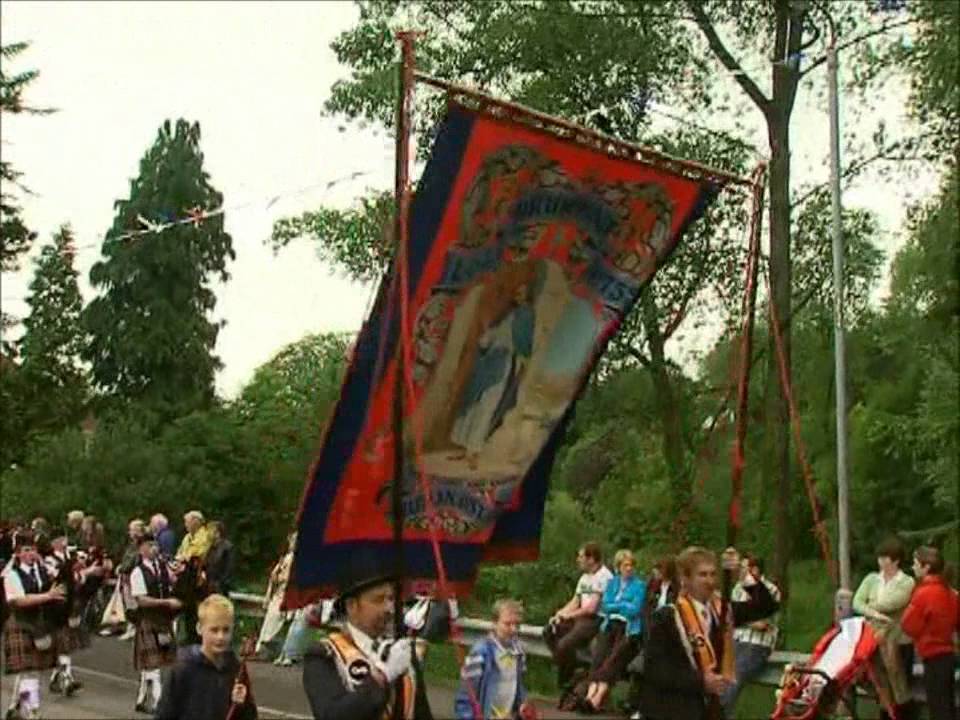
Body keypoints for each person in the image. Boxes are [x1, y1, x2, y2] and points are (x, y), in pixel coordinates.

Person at [640, 546, 780, 720]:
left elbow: (765, 607)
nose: (709, 581)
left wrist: (742, 574)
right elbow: (656, 669)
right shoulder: (667, 617)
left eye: (713, 574)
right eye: (702, 575)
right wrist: (700, 682)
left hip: (707, 708)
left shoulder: (721, 613)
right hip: (672, 708)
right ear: (685, 578)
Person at [301, 551, 430, 720]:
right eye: (378, 600)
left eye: (391, 599)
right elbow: (332, 715)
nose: (388, 608)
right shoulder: (323, 654)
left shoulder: (402, 653)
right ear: (352, 606)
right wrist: (381, 678)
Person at [154, 593, 257, 720]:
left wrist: (242, 705)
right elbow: (165, 714)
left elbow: (249, 716)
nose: (220, 637)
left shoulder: (236, 669)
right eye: (214, 630)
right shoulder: (183, 668)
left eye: (226, 630)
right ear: (199, 628)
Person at [2, 532, 66, 720]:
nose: (31, 553)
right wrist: (48, 596)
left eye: (33, 550)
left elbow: (63, 573)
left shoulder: (42, 570)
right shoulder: (11, 575)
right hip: (20, 624)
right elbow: (19, 601)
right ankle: (33, 712)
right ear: (18, 554)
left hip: (39, 624)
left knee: (30, 672)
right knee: (30, 673)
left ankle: (16, 707)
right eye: (26, 550)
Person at [852, 535, 916, 719]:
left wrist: (869, 606)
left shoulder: (906, 582)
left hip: (897, 640)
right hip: (874, 639)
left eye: (885, 558)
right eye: (879, 557)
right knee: (881, 684)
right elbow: (857, 602)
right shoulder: (872, 579)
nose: (881, 562)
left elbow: (891, 603)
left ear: (895, 560)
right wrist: (875, 614)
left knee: (899, 684)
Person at [543, 541, 613, 698]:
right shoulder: (584, 578)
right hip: (580, 617)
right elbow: (575, 601)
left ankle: (566, 682)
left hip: (595, 620)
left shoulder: (604, 577)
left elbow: (591, 608)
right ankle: (574, 668)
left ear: (591, 559)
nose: (578, 560)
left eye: (581, 556)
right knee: (549, 631)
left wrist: (569, 615)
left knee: (563, 645)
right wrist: (560, 614)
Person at [581, 549, 646, 713]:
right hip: (610, 624)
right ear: (618, 567)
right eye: (625, 565)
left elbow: (635, 610)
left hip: (628, 628)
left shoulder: (639, 585)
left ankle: (596, 699)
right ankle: (589, 696)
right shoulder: (612, 583)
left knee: (613, 660)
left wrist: (618, 606)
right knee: (599, 657)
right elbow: (605, 605)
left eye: (631, 565)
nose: (629, 568)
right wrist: (623, 604)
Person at [900, 546, 959, 720]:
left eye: (916, 563)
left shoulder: (923, 594)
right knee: (947, 705)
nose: (913, 567)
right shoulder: (951, 593)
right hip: (949, 653)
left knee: (938, 706)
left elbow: (908, 625)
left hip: (932, 654)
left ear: (926, 567)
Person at [720, 554, 782, 717]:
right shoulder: (738, 589)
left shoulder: (770, 590)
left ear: (755, 570)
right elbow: (729, 618)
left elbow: (763, 624)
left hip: (756, 645)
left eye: (744, 568)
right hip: (737, 640)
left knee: (736, 676)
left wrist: (741, 619)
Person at [454, 599, 536, 720]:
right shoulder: (481, 653)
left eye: (517, 624)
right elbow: (466, 695)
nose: (513, 629)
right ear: (494, 623)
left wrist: (523, 705)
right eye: (507, 624)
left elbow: (519, 686)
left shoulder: (518, 653)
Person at [130, 533, 182, 714]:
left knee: (155, 664)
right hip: (148, 620)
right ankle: (160, 704)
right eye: (149, 545)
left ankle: (142, 698)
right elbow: (141, 600)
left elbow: (173, 583)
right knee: (152, 665)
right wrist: (166, 603)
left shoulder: (162, 568)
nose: (154, 548)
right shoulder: (137, 572)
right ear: (141, 549)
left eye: (155, 544)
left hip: (164, 621)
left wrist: (178, 575)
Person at [256, 532, 296, 661]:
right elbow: (273, 577)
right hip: (277, 594)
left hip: (287, 595)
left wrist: (278, 578)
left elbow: (290, 578)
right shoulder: (285, 557)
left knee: (276, 620)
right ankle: (261, 648)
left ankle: (268, 649)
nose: (292, 543)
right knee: (269, 621)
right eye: (292, 541)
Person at [204, 521, 235, 596]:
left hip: (220, 586)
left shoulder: (227, 547)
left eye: (209, 531)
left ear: (217, 533)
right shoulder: (209, 547)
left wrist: (220, 584)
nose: (207, 533)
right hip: (208, 585)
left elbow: (229, 568)